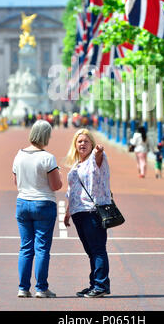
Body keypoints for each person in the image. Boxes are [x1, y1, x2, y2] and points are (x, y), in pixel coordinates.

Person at [12, 120, 62, 298]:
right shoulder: (48, 158)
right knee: (41, 248)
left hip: (23, 202)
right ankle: (41, 288)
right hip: (43, 203)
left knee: (26, 247)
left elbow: (16, 182)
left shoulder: (19, 155)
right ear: (46, 136)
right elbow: (56, 185)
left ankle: (23, 288)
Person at [64, 129, 111, 298]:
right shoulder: (78, 164)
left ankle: (101, 285)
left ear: (91, 144)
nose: (82, 144)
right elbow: (71, 190)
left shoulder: (95, 159)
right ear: (75, 145)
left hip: (92, 211)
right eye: (79, 141)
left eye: (85, 141)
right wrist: (68, 212)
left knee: (98, 249)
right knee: (91, 250)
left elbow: (98, 156)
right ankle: (95, 284)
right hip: (79, 212)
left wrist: (98, 151)